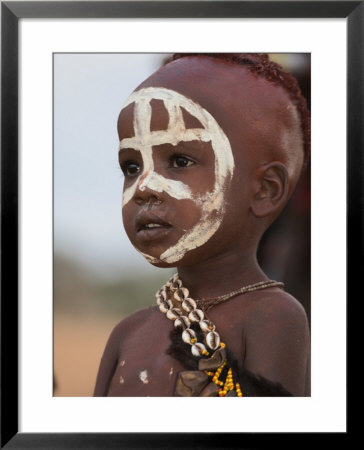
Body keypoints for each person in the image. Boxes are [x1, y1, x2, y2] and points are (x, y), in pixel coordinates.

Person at [94, 53, 311, 397]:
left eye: (179, 161)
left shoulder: (273, 316)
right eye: (131, 167)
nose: (144, 186)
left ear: (265, 190)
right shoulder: (127, 333)